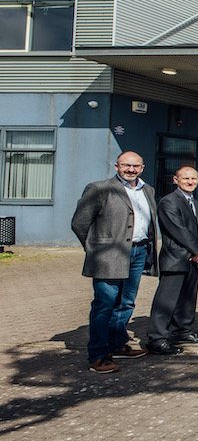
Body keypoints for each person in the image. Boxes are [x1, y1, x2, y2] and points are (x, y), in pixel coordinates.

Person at [71, 151, 157, 372]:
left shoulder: (148, 190)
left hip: (138, 252)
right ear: (117, 166)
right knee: (104, 305)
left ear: (142, 168)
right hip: (109, 255)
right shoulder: (99, 189)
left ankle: (117, 344)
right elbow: (79, 223)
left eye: (136, 166)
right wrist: (97, 249)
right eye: (126, 165)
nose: (131, 169)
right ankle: (98, 355)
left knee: (126, 303)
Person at [147, 166, 198, 355]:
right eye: (185, 178)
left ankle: (182, 331)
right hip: (175, 258)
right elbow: (178, 230)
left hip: (193, 259)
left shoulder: (196, 204)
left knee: (188, 299)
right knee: (166, 301)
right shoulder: (168, 202)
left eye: (193, 178)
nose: (190, 182)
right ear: (175, 180)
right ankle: (157, 338)